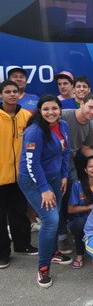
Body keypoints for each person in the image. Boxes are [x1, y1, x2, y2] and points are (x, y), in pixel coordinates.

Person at [17, 95, 72, 288]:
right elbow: (32, 164)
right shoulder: (34, 132)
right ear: (40, 110)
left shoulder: (63, 125)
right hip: (33, 180)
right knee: (50, 220)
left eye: (54, 108)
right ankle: (43, 268)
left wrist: (64, 175)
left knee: (55, 214)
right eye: (46, 109)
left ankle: (53, 251)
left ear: (60, 109)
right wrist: (44, 189)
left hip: (55, 177)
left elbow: (65, 152)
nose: (51, 112)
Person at [60, 92, 93, 254]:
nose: (92, 112)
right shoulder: (64, 115)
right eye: (90, 107)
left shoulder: (89, 126)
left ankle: (72, 232)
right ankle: (61, 237)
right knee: (57, 200)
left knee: (69, 198)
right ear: (81, 103)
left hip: (70, 164)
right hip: (53, 164)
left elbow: (86, 149)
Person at [0, 80, 37, 270]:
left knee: (19, 212)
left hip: (20, 176)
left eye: (15, 91)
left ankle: (22, 245)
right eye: (8, 91)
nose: (12, 94)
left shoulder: (26, 116)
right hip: (0, 176)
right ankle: (2, 254)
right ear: (1, 95)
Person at [67, 155, 93, 269]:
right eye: (90, 166)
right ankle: (79, 254)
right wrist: (90, 207)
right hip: (81, 220)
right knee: (80, 224)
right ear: (85, 169)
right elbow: (70, 209)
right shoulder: (77, 184)